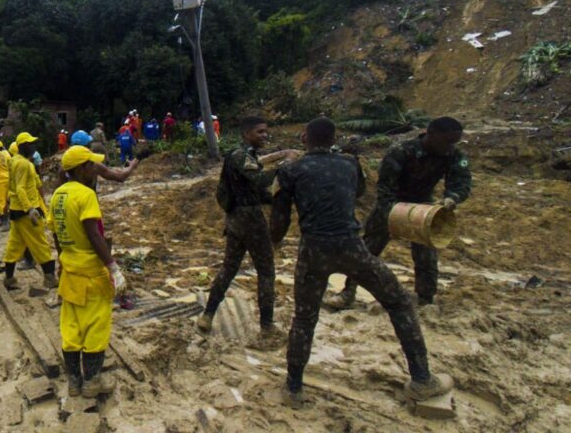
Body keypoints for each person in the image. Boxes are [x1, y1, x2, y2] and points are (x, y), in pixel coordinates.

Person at [270, 117, 454, 408]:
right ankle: (421, 379)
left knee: (304, 319)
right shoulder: (349, 164)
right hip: (353, 248)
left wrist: (275, 241)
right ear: (333, 139)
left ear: (305, 138)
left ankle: (293, 388)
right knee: (400, 302)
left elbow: (279, 222)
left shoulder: (290, 171)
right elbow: (357, 192)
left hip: (313, 251)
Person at [326, 116, 472, 310]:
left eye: (454, 142)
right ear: (432, 134)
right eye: (447, 141)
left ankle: (425, 299)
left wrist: (452, 198)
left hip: (424, 206)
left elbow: (461, 182)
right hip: (391, 204)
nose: (449, 147)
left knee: (427, 257)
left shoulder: (454, 154)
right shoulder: (401, 151)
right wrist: (395, 214)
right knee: (367, 252)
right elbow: (385, 188)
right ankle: (348, 292)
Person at [198, 117, 296, 343]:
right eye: (260, 132)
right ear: (246, 134)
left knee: (229, 268)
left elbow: (254, 190)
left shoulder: (246, 156)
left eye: (266, 131)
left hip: (235, 221)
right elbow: (259, 180)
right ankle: (267, 326)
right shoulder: (240, 156)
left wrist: (275, 199)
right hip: (251, 221)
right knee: (266, 271)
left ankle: (208, 315)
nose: (265, 135)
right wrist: (285, 164)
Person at [49, 146, 128, 398]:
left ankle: (74, 381)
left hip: (70, 271)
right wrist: (113, 267)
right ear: (82, 168)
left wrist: (62, 259)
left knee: (71, 327)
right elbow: (94, 234)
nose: (95, 169)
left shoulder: (58, 195)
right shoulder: (86, 195)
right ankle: (92, 381)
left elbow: (56, 233)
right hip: (91, 272)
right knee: (96, 326)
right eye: (92, 165)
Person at [3, 132, 57, 289]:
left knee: (15, 244)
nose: (33, 147)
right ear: (23, 146)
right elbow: (20, 188)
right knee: (40, 243)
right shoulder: (23, 164)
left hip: (16, 209)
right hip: (26, 211)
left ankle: (9, 278)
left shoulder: (14, 161)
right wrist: (30, 209)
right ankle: (49, 278)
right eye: (30, 144)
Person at [68, 130, 139, 184]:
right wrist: (131, 167)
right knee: (105, 152)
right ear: (87, 146)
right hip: (88, 198)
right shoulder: (92, 165)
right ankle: (108, 162)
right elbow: (120, 177)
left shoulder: (64, 166)